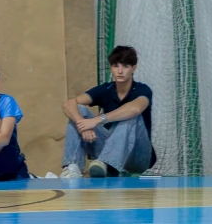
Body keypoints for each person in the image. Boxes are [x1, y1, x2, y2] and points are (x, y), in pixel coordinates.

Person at [62, 45, 155, 179]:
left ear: (133, 68)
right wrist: (82, 125)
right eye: (116, 66)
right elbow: (68, 104)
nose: (120, 71)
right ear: (111, 68)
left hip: (137, 157)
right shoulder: (106, 89)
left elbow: (135, 108)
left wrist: (97, 120)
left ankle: (107, 163)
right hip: (107, 151)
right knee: (79, 110)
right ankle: (72, 169)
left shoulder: (142, 90)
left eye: (125, 66)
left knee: (130, 116)